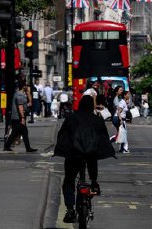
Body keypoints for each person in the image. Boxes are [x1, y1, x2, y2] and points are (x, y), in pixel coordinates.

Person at [54, 94, 115, 223]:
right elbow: (104, 137)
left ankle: (70, 209)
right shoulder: (97, 120)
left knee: (69, 181)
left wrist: (61, 149)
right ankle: (93, 184)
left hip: (74, 154)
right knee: (92, 178)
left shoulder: (71, 118)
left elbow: (62, 134)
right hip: (91, 154)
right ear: (91, 107)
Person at [3, 81, 37, 153]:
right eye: (26, 86)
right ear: (23, 86)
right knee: (16, 132)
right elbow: (20, 107)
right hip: (17, 118)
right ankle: (7, 146)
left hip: (19, 117)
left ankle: (27, 148)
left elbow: (29, 104)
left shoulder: (22, 94)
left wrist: (28, 93)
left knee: (23, 132)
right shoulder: (19, 95)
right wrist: (22, 118)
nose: (28, 87)